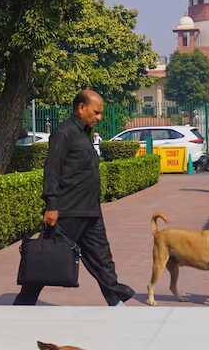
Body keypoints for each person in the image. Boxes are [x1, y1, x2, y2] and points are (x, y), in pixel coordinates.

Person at [13, 90, 135, 306]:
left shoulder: (83, 134)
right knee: (45, 261)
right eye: (96, 112)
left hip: (90, 212)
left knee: (102, 260)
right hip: (67, 212)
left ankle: (116, 303)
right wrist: (51, 204)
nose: (99, 117)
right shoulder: (64, 133)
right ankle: (23, 305)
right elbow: (52, 170)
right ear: (81, 108)